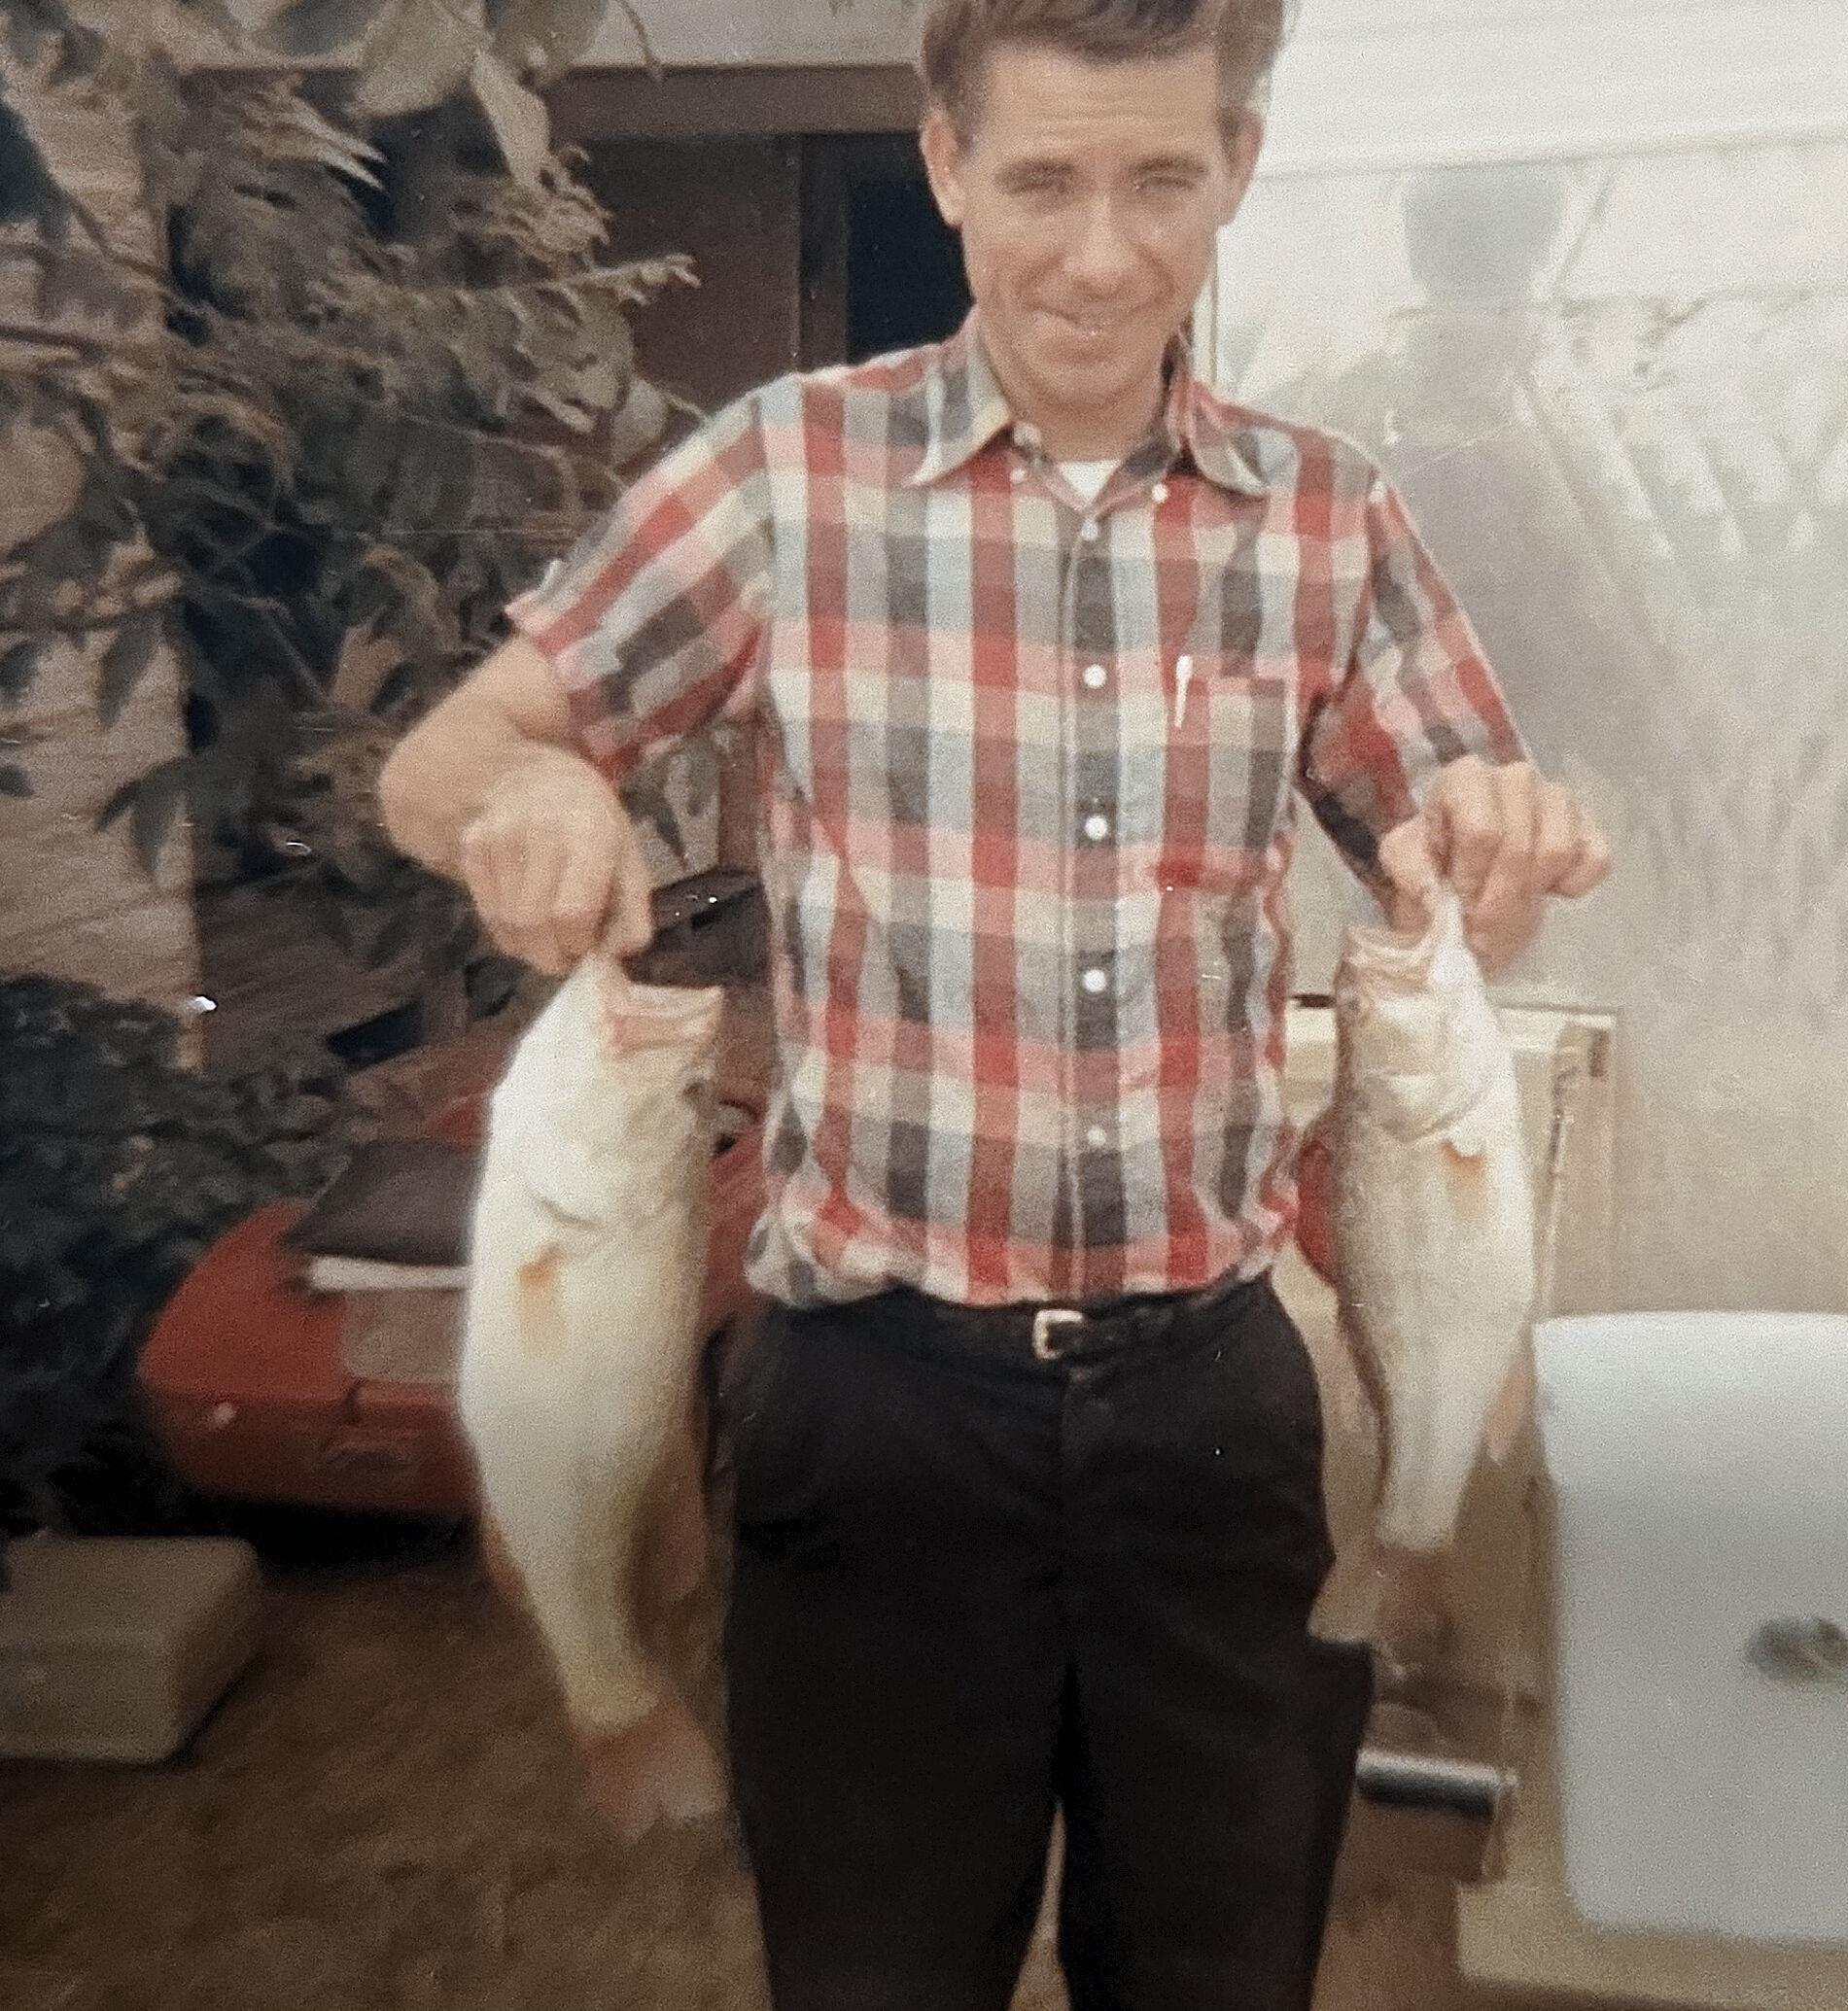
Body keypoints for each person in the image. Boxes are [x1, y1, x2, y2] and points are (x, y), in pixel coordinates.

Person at [379, 4, 1611, 2005]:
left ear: (1238, 157)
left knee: (1218, 1973)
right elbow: (436, 764)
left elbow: (1465, 898)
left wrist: (1497, 833)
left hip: (1206, 1414)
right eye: (1039, 180)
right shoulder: (781, 478)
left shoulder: (1326, 517)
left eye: (1159, 179)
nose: (1102, 253)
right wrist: (522, 790)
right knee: (875, 1973)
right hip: (874, 1406)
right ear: (946, 165)